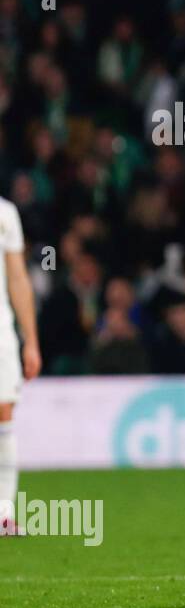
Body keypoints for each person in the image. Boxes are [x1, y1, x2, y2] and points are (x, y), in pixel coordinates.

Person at [0, 196, 42, 536]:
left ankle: (3, 512)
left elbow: (17, 278)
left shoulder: (5, 212)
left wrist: (30, 339)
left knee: (4, 411)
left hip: (1, 330)